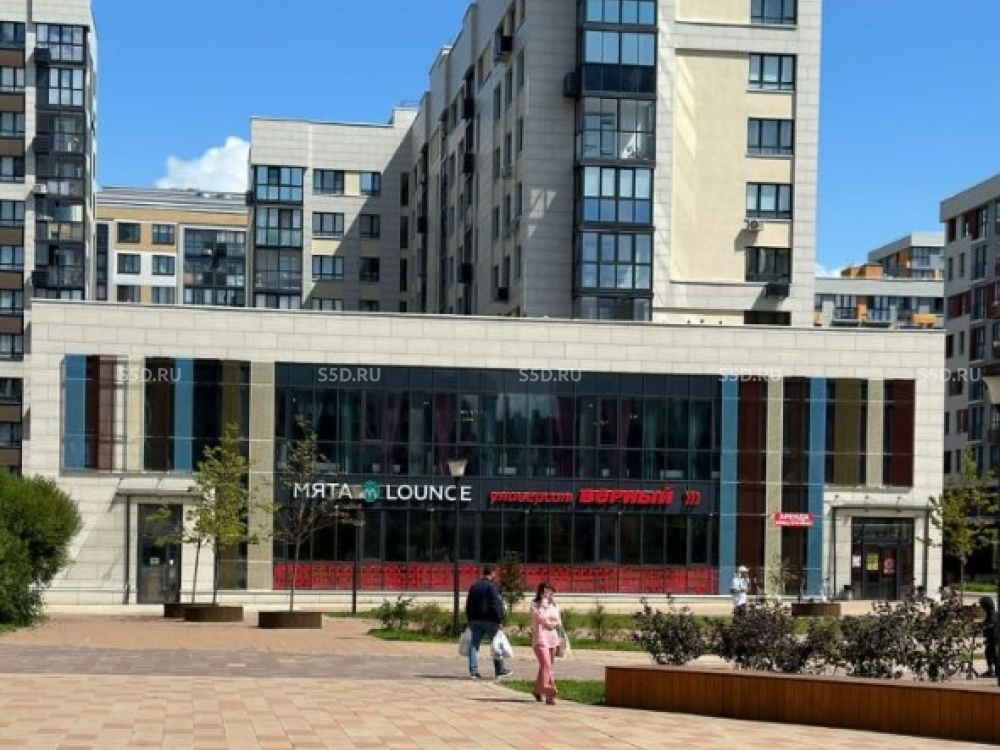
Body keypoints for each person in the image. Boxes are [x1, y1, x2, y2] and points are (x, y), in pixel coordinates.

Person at [465, 565, 512, 680]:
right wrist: (499, 619)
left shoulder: (474, 586)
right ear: (493, 573)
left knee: (474, 645)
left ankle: (473, 671)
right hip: (490, 620)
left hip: (475, 619)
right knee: (497, 644)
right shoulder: (492, 587)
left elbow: (468, 604)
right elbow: (495, 604)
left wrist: (469, 619)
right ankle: (499, 670)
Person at [529, 582, 562, 705]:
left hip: (552, 638)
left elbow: (558, 620)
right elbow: (539, 617)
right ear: (541, 592)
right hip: (540, 638)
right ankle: (547, 689)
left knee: (547, 667)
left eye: (550, 591)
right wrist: (543, 602)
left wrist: (553, 624)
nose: (548, 593)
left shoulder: (554, 605)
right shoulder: (535, 604)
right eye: (546, 591)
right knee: (546, 664)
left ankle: (538, 691)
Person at [979, 597, 998, 679]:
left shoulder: (992, 613)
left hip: (994, 637)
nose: (981, 607)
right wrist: (982, 624)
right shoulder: (990, 613)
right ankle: (991, 670)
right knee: (988, 653)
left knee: (993, 654)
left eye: (982, 605)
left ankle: (995, 671)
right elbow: (988, 622)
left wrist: (985, 626)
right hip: (991, 637)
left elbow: (992, 623)